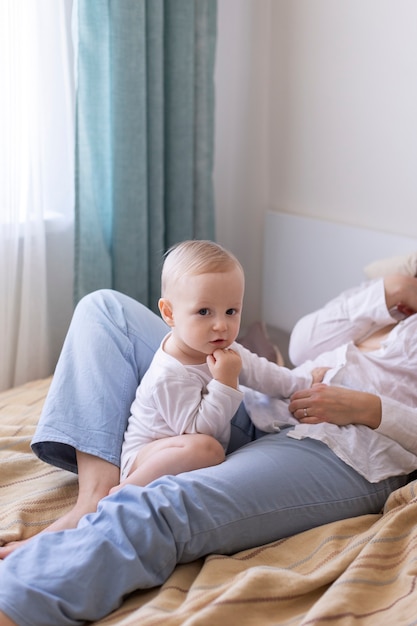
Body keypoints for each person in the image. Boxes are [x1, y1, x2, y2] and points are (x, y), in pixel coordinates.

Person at [1, 270, 417, 626]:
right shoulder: (392, 302)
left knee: (159, 506)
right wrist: (389, 292)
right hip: (254, 405)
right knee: (105, 310)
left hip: (344, 448)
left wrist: (369, 408)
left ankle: (19, 596)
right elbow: (303, 345)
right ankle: (91, 502)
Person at [112, 239, 315, 493]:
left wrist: (304, 383)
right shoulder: (169, 374)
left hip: (187, 449)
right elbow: (200, 431)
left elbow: (263, 373)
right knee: (208, 449)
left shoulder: (220, 346)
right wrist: (225, 382)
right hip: (147, 458)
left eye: (231, 311)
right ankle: (124, 491)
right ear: (169, 313)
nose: (221, 325)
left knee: (215, 450)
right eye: (204, 312)